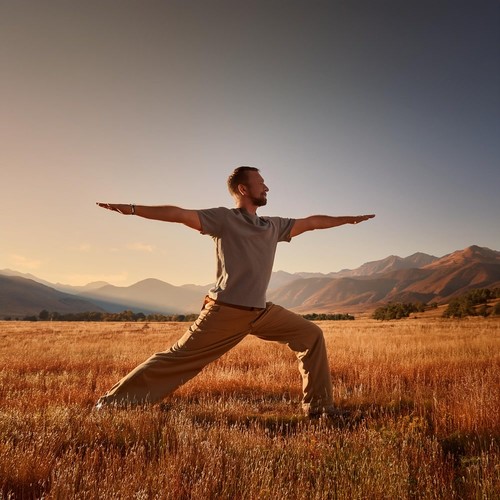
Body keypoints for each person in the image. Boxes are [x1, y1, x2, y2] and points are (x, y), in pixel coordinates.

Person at [95, 166, 375, 417]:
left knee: (312, 335)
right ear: (243, 189)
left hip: (260, 311)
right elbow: (179, 214)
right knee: (176, 360)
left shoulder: (273, 225)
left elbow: (312, 222)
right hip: (226, 311)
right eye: (261, 183)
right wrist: (132, 208)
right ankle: (111, 405)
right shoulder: (223, 219)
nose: (267, 187)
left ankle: (319, 408)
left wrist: (347, 220)